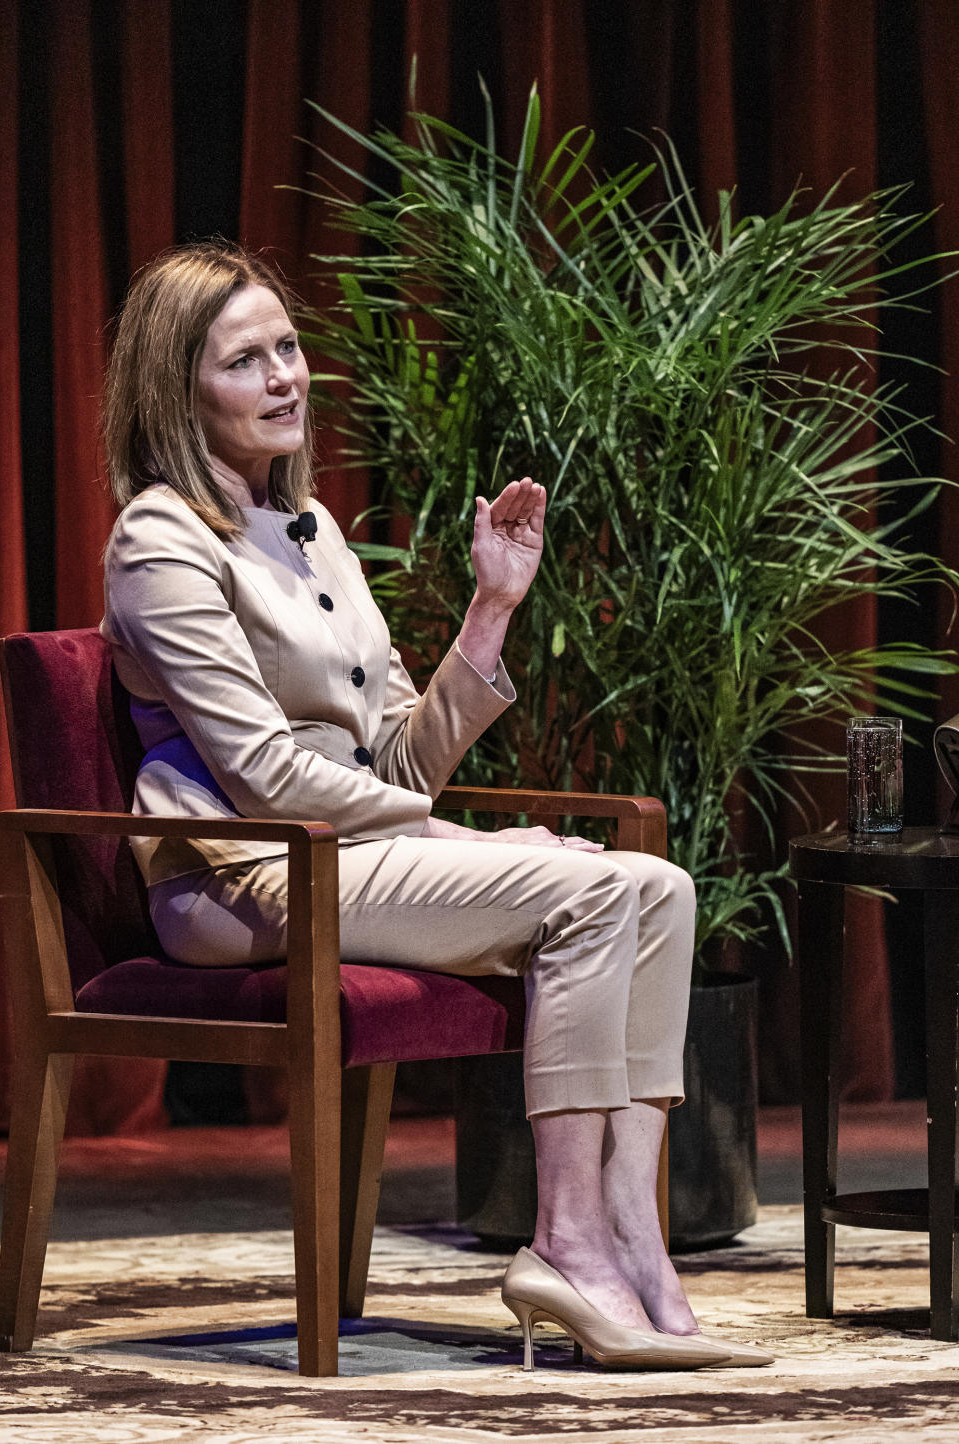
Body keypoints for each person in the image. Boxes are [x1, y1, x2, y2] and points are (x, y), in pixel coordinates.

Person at [100, 240, 771, 1373]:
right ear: (178, 390)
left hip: (350, 850)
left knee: (657, 884)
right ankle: (563, 1244)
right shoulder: (160, 540)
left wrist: (489, 614)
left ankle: (632, 1239)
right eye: (245, 360)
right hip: (245, 870)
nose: (286, 378)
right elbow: (263, 774)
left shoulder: (314, 535)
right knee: (586, 893)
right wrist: (461, 838)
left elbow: (400, 765)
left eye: (290, 347)